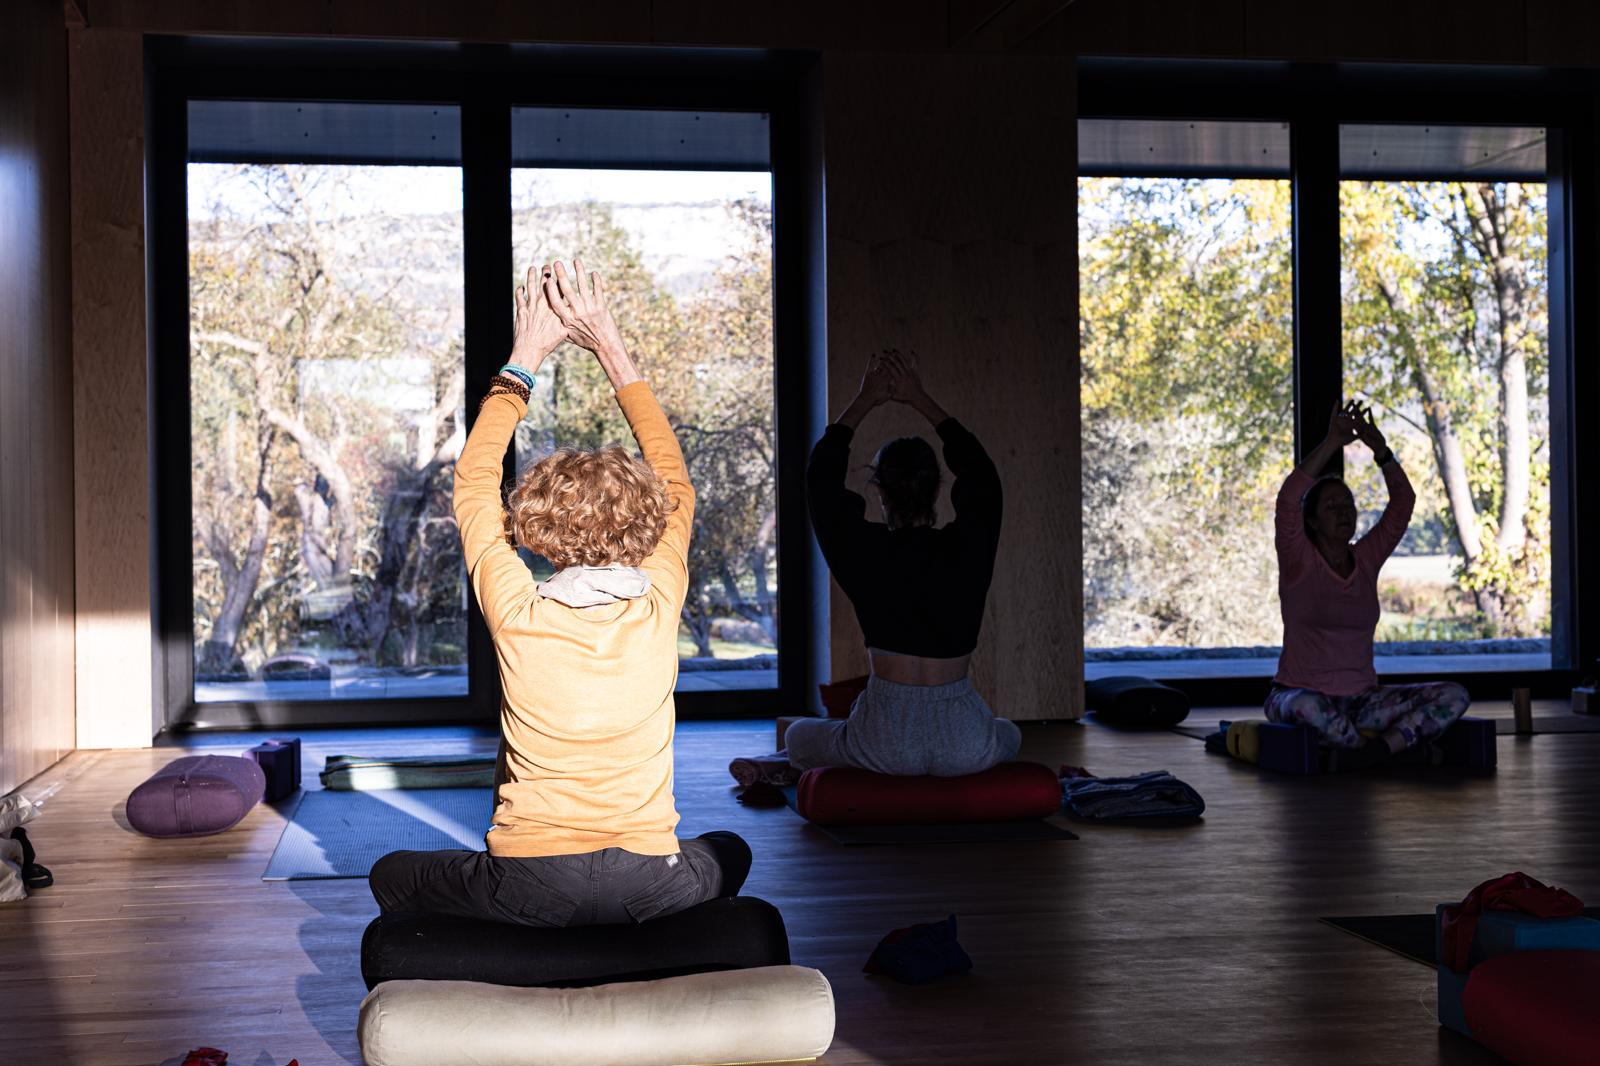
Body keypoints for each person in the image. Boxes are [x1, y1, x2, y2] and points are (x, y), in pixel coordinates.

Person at [370, 260, 750, 926]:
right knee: (730, 852)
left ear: (539, 532)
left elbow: (474, 484)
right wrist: (610, 346)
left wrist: (524, 357)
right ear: (647, 519)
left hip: (526, 888)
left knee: (389, 874)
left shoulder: (519, 612)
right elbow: (679, 485)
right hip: (649, 884)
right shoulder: (659, 603)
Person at [731, 349, 1018, 784]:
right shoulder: (968, 549)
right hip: (964, 742)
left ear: (879, 493)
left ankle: (787, 763)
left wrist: (864, 400)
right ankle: (800, 760)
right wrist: (920, 399)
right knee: (1010, 733)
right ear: (939, 488)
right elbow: (982, 477)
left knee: (801, 731)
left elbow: (820, 481)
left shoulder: (864, 551)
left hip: (883, 741)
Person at [1268, 399, 1470, 768]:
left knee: (1454, 695)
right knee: (1306, 706)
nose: (1344, 512)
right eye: (1331, 507)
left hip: (1362, 703)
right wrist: (1333, 442)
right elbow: (1287, 500)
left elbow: (1403, 503)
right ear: (1311, 521)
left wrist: (1380, 449)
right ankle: (1371, 754)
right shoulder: (1299, 560)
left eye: (1348, 505)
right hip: (1299, 695)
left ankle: (1375, 752)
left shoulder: (1366, 558)